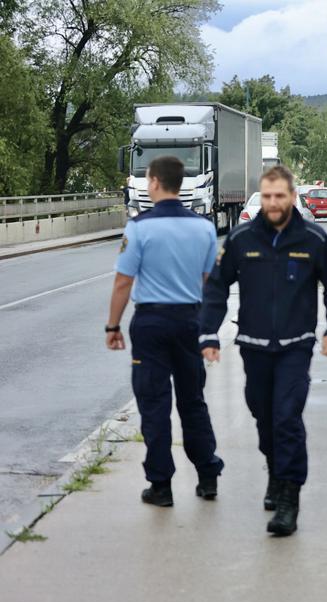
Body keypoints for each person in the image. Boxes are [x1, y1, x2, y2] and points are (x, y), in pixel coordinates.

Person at [199, 165, 327, 537]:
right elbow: (216, 288)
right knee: (263, 417)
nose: (273, 203)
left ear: (292, 197)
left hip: (296, 346)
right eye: (266, 196)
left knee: (287, 418)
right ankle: (275, 473)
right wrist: (209, 333)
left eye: (279, 196)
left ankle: (288, 499)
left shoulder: (313, 238)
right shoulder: (241, 239)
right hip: (253, 346)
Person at [106, 155, 224, 507]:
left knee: (155, 404)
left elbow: (123, 282)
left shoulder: (139, 227)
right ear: (180, 183)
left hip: (152, 324)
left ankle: (161, 486)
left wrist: (113, 325)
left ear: (155, 182)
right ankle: (207, 475)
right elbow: (209, 282)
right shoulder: (203, 228)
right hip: (190, 321)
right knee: (193, 400)